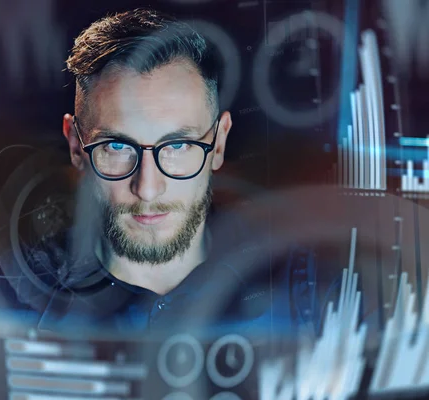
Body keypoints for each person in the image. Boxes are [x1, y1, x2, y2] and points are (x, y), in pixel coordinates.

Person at [28, 8, 321, 336]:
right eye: (118, 147)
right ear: (75, 146)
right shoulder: (16, 307)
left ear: (219, 143)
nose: (148, 189)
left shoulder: (297, 298)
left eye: (178, 146)